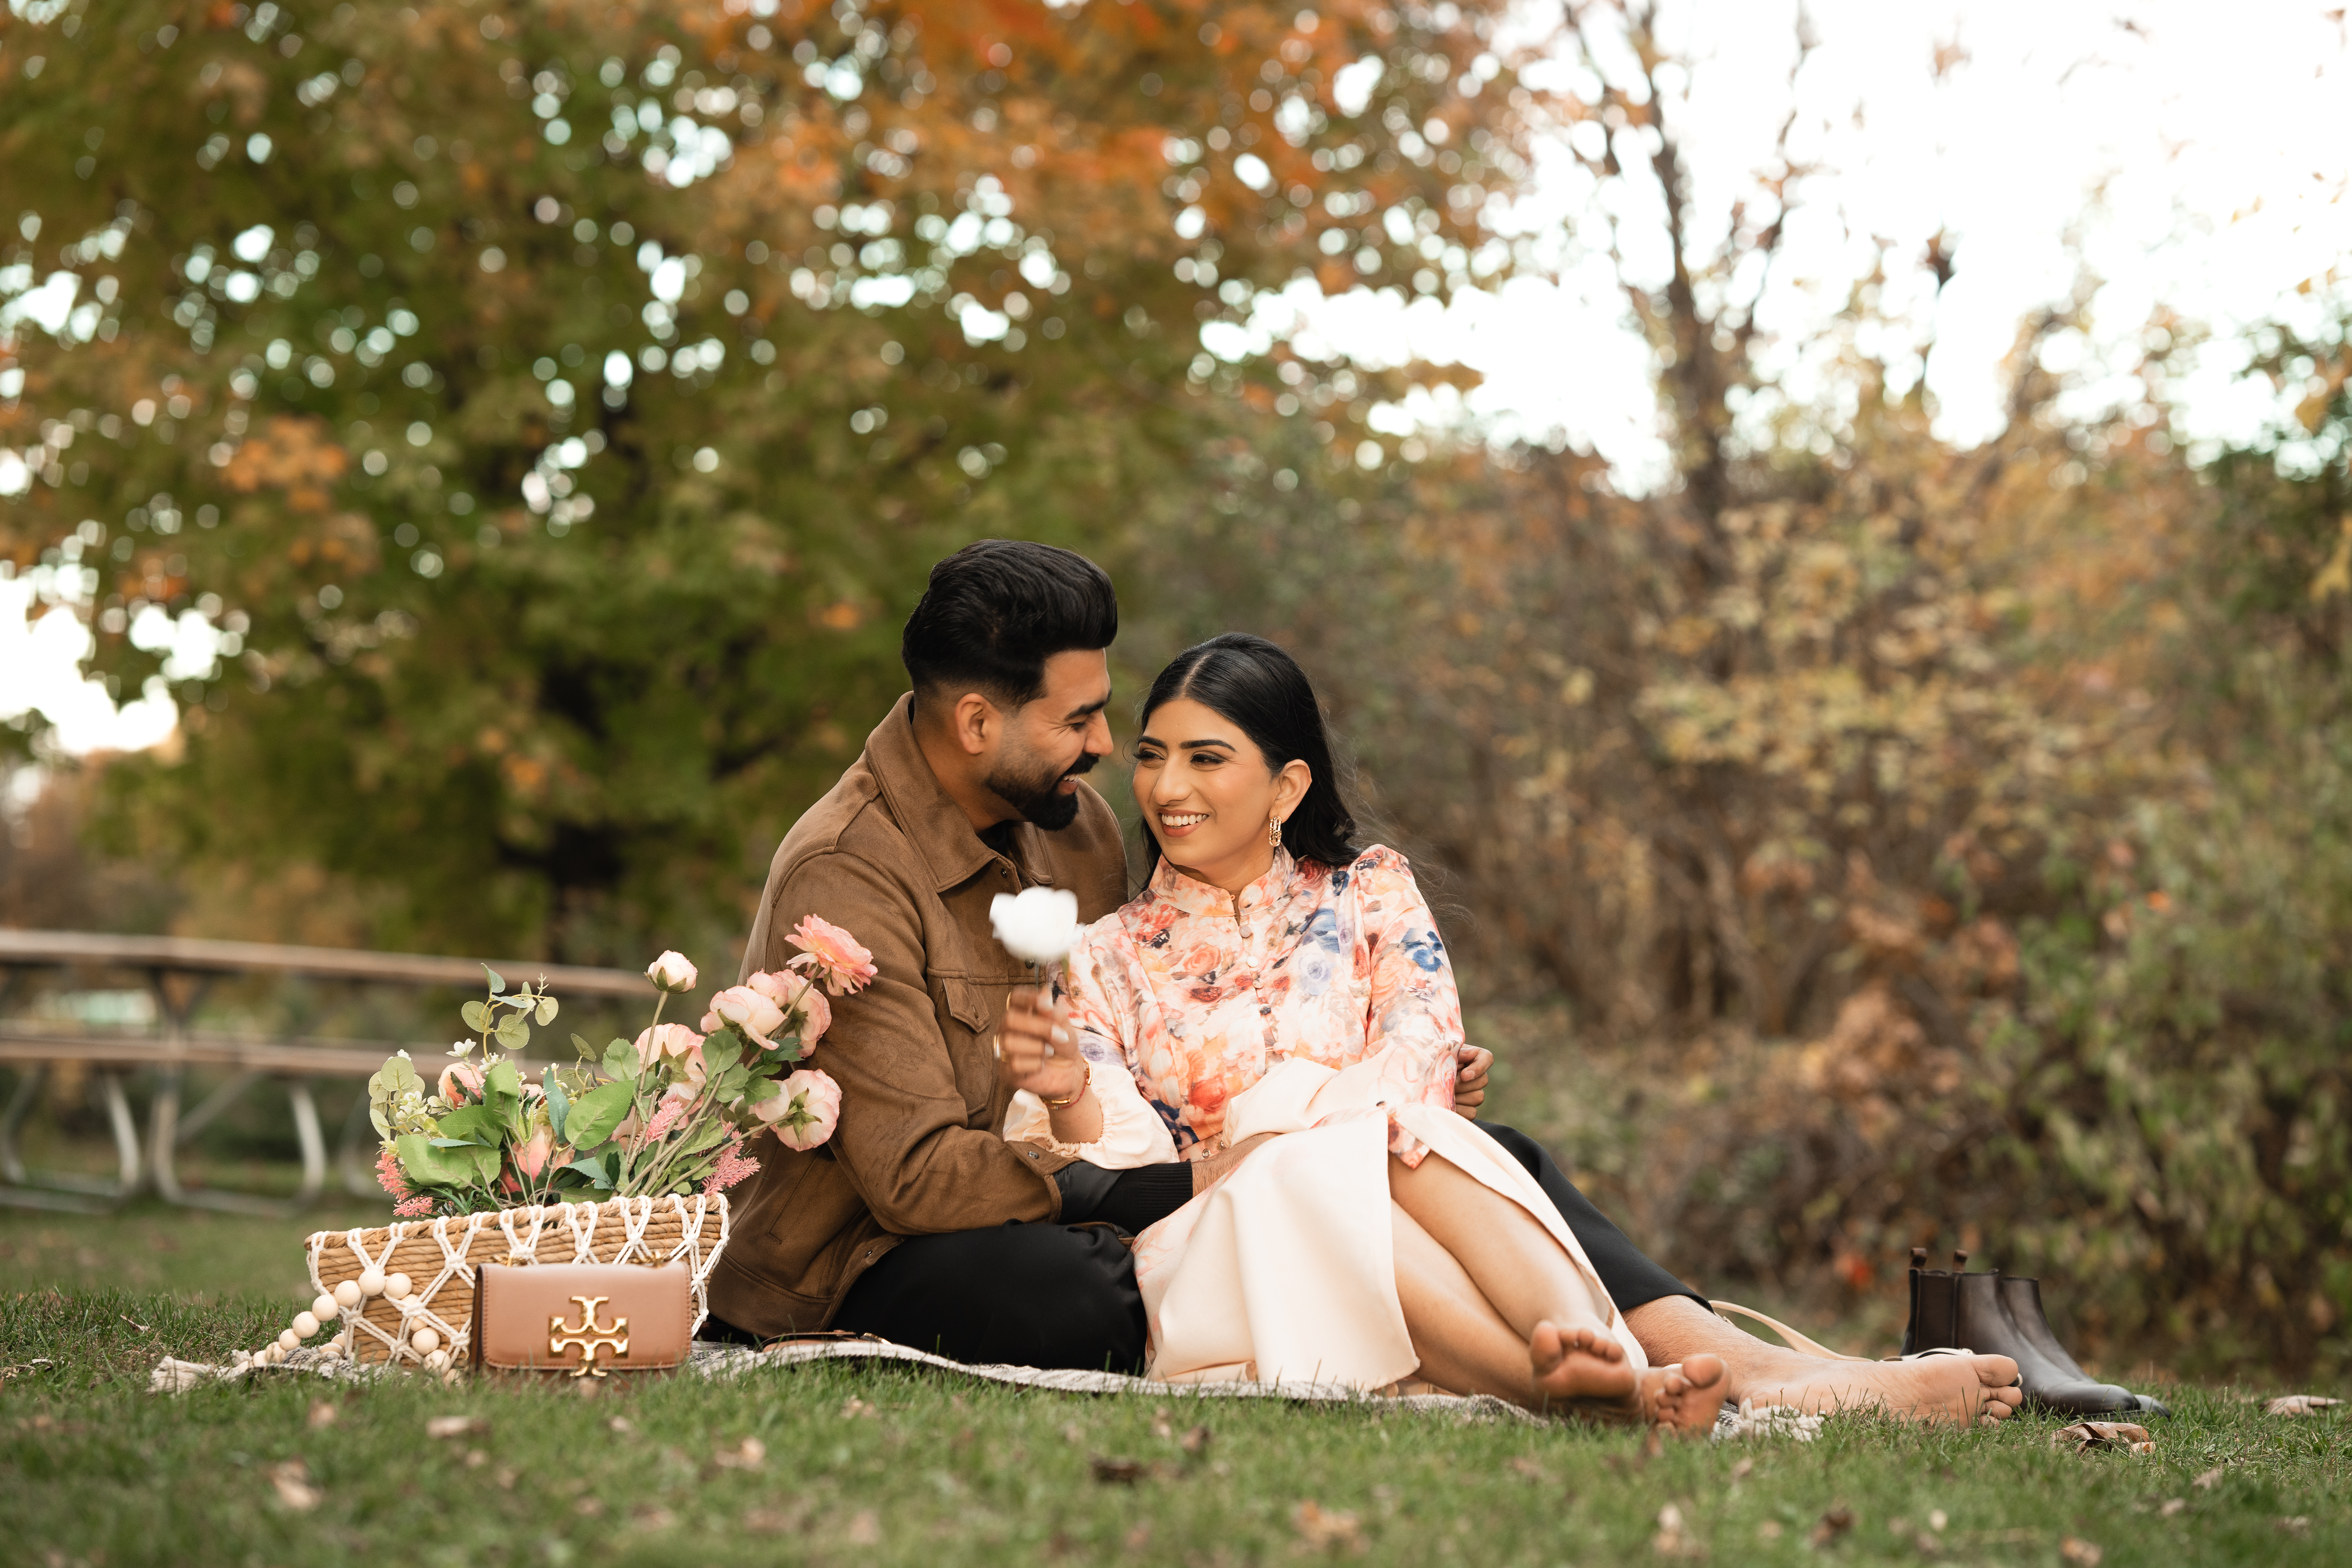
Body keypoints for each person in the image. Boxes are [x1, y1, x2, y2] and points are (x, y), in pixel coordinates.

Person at [710, 541, 2019, 1424]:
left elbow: (1116, 1039)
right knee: (1098, 1292)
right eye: (1098, 727)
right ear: (978, 721)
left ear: (1284, 785)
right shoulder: (848, 875)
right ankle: (1573, 1369)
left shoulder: (1068, 825)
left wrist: (1341, 1113)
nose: (1124, 762)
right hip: (879, 1246)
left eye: (1171, 744)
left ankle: (1749, 1371)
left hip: (1147, 1175)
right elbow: (942, 1166)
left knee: (1470, 1142)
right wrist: (1139, 1156)